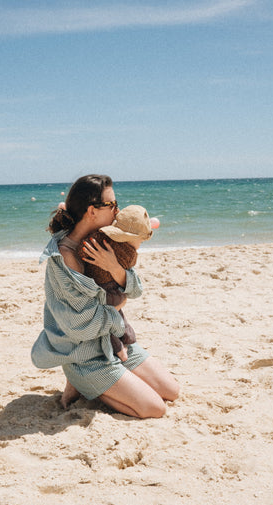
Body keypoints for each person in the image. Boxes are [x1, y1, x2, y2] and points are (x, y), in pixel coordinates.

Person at [31, 174, 179, 419]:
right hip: (87, 355)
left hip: (116, 342)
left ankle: (108, 382)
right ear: (92, 210)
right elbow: (81, 326)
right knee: (154, 409)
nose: (118, 210)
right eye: (112, 205)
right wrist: (118, 305)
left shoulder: (105, 238)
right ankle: (80, 380)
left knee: (171, 391)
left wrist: (115, 269)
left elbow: (135, 289)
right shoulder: (64, 258)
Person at [78, 204, 153, 362]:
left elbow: (136, 291)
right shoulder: (127, 253)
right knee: (114, 321)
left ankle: (125, 342)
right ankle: (121, 346)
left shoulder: (98, 239)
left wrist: (114, 268)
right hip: (104, 301)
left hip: (102, 295)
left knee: (115, 319)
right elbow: (136, 291)